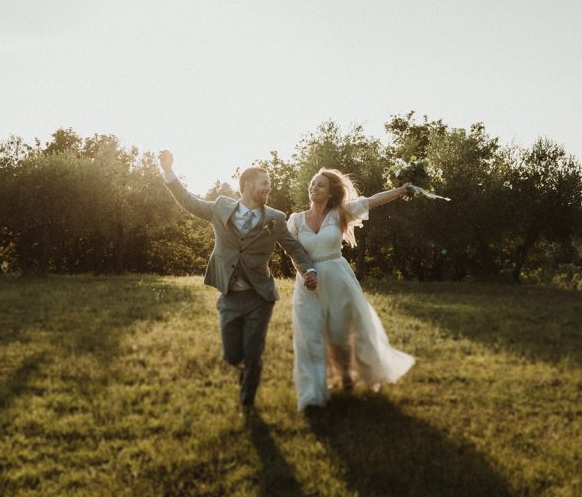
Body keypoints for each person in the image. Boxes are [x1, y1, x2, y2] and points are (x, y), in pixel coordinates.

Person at [159, 150, 318, 417]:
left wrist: (309, 270)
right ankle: (241, 369)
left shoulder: (275, 218)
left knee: (254, 355)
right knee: (232, 356)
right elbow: (188, 201)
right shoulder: (221, 207)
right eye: (264, 183)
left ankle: (247, 403)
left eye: (269, 184)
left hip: (260, 296)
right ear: (247, 185)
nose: (269, 187)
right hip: (229, 295)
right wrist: (168, 171)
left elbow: (293, 248)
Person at [287, 168, 415, 412]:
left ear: (331, 192)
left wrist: (402, 190)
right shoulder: (295, 220)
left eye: (320, 185)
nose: (314, 187)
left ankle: (346, 373)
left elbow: (374, 199)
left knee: (339, 336)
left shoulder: (340, 213)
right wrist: (307, 273)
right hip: (307, 284)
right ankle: (311, 397)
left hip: (338, 281)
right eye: (312, 183)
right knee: (309, 337)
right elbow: (293, 251)